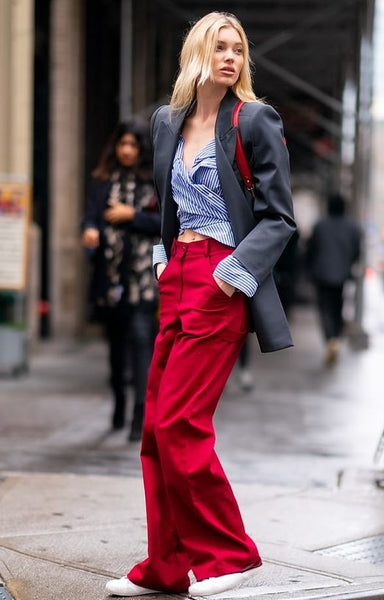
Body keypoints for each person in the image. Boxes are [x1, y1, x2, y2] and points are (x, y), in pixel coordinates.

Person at [106, 11, 295, 598]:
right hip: (177, 276)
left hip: (220, 276)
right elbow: (168, 201)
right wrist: (165, 257)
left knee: (180, 423)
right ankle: (165, 568)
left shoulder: (254, 119)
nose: (231, 57)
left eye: (238, 48)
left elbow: (279, 216)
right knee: (154, 431)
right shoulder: (168, 122)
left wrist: (230, 275)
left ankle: (231, 556)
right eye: (220, 46)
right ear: (197, 54)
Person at [82, 120, 160, 442]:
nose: (127, 150)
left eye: (133, 145)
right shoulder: (102, 182)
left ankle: (139, 415)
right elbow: (90, 216)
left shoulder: (156, 182)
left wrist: (132, 216)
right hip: (111, 279)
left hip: (143, 279)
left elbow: (166, 222)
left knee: (142, 342)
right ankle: (119, 404)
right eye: (122, 144)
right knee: (115, 348)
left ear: (142, 149)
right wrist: (88, 229)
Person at [306, 192, 361, 365]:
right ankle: (335, 338)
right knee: (338, 307)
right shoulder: (352, 228)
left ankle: (330, 337)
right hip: (341, 276)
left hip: (321, 274)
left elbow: (310, 249)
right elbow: (356, 252)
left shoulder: (320, 225)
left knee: (324, 308)